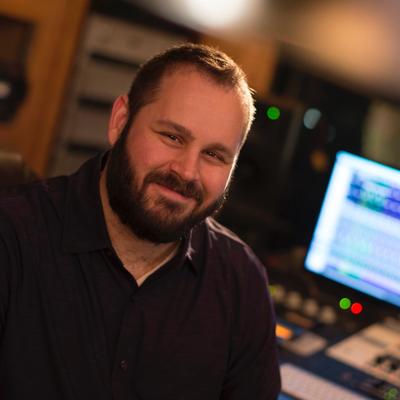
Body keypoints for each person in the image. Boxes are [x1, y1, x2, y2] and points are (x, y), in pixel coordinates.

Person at [0, 43, 281, 399]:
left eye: (213, 154)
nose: (186, 172)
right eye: (172, 137)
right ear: (120, 121)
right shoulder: (11, 234)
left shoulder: (242, 283)